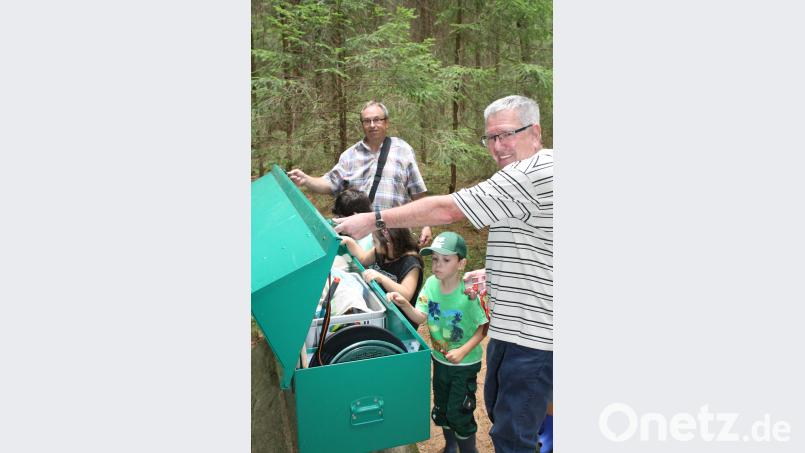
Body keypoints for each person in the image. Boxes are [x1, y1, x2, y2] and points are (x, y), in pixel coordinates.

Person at [334, 95, 553, 453]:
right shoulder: (530, 175)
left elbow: (448, 210)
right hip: (512, 330)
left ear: (536, 131)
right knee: (507, 417)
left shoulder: (531, 173)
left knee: (514, 436)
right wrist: (492, 272)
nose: (498, 147)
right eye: (491, 138)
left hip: (533, 338)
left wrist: (373, 219)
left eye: (507, 135)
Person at [387, 232, 488, 453]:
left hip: (464, 364)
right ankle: (450, 447)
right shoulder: (431, 284)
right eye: (434, 259)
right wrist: (404, 304)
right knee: (441, 409)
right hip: (440, 360)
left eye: (446, 260)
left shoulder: (468, 294)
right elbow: (421, 317)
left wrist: (463, 350)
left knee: (459, 412)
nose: (437, 265)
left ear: (461, 263)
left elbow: (483, 327)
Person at [287, 100, 433, 246]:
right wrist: (306, 179)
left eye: (377, 120)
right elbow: (329, 183)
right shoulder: (350, 156)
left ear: (386, 122)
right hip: (359, 238)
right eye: (367, 121)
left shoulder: (403, 150)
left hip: (395, 237)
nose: (372, 125)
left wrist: (426, 224)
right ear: (362, 124)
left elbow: (417, 193)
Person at [340, 227, 424, 328]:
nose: (372, 243)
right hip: (379, 309)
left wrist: (382, 278)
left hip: (399, 322)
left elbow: (406, 294)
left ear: (389, 245)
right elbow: (363, 259)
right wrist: (350, 242)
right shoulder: (381, 251)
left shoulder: (411, 264)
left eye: (374, 241)